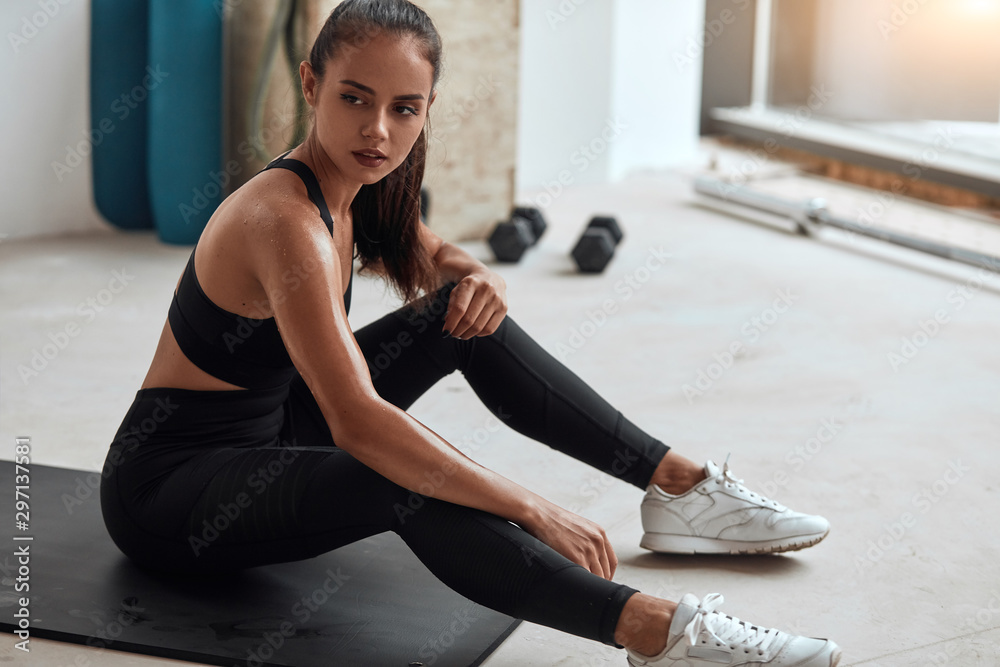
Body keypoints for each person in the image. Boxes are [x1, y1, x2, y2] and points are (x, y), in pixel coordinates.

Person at [99, 1, 841, 664]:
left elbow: (434, 258)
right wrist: (532, 505)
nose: (377, 129)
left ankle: (677, 486)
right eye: (355, 98)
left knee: (460, 316)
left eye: (404, 108)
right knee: (394, 475)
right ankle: (656, 631)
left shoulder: (364, 178)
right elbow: (357, 422)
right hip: (171, 489)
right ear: (309, 83)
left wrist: (479, 276)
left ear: (425, 109)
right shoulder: (283, 220)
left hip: (277, 430)